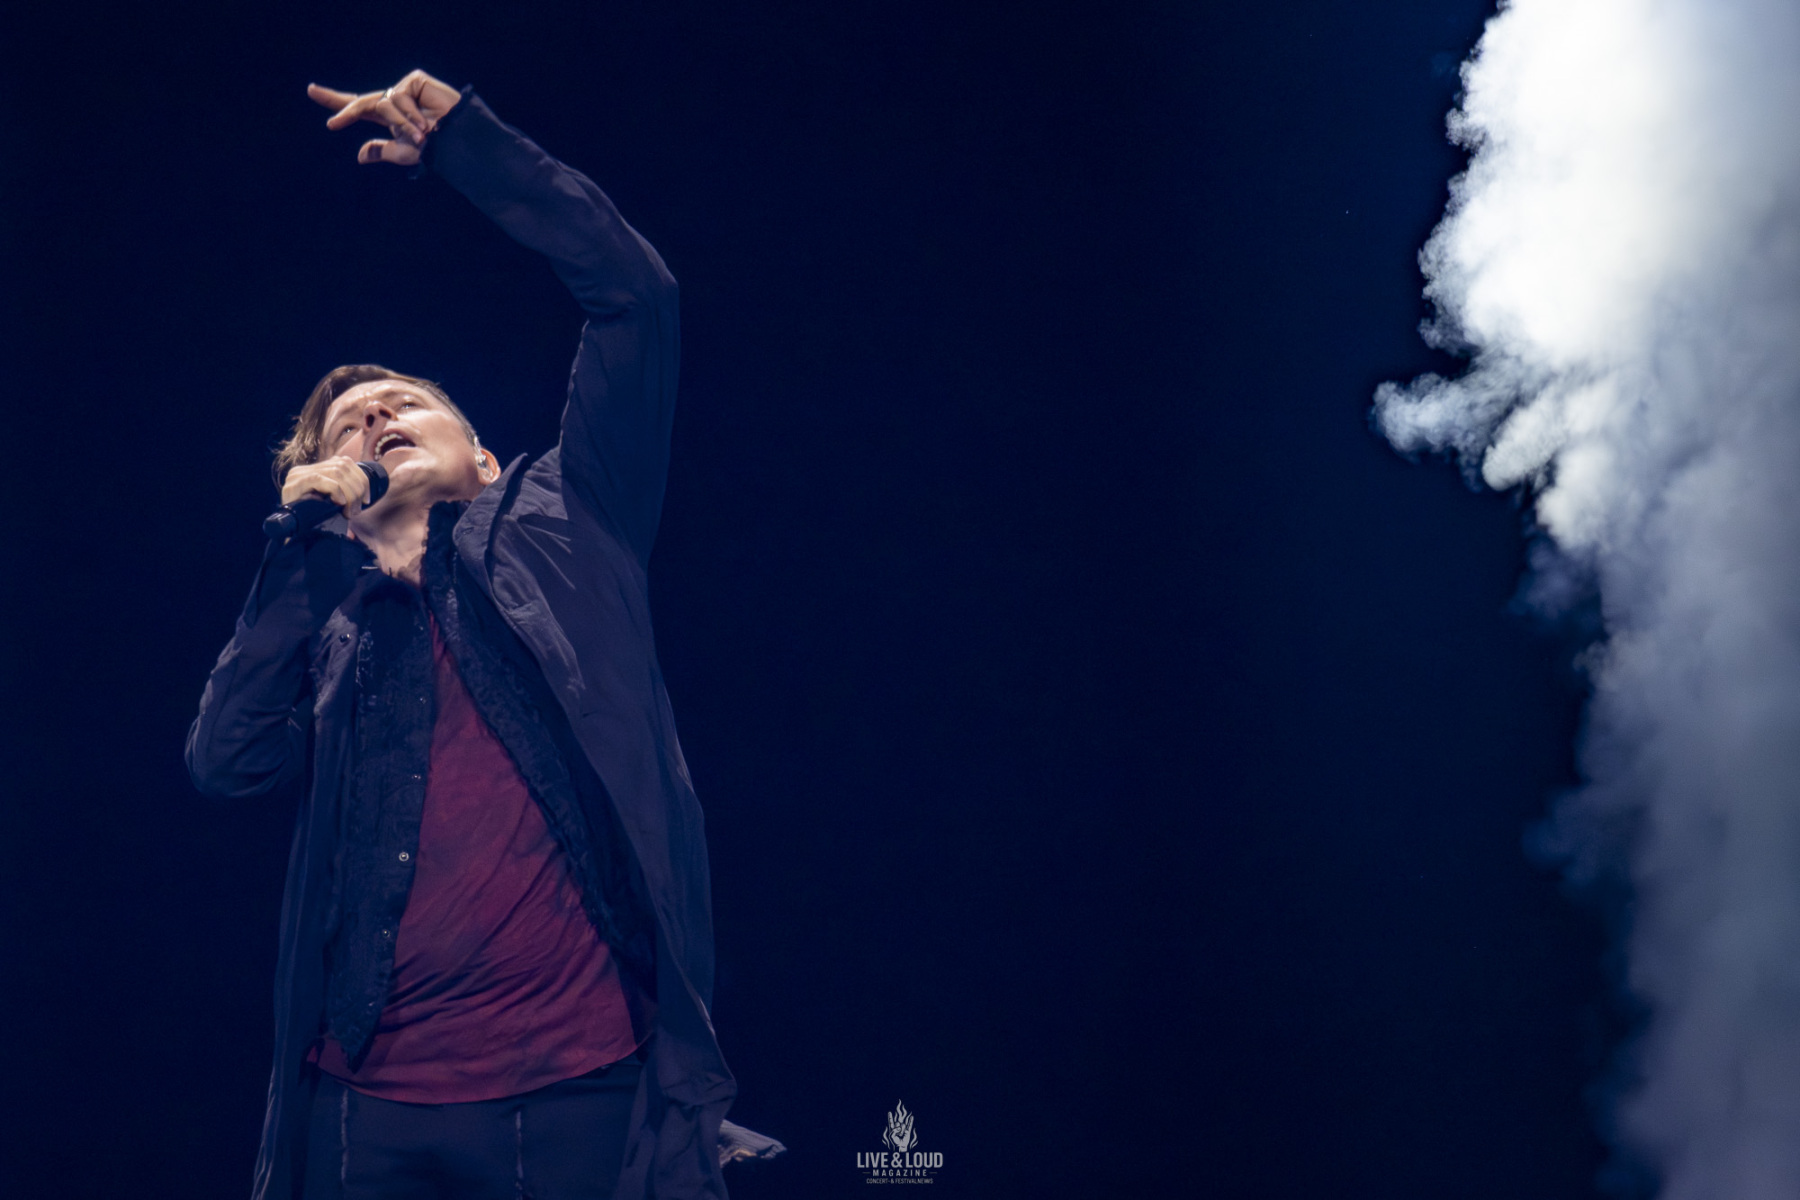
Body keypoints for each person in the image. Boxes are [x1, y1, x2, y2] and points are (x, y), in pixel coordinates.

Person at [187, 68, 779, 1199]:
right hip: (362, 1110)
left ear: (490, 461)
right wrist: (295, 555)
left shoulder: (571, 519)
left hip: (577, 1091)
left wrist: (472, 149)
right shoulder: (328, 621)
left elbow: (636, 299)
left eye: (404, 403)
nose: (375, 417)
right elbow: (227, 761)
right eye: (347, 427)